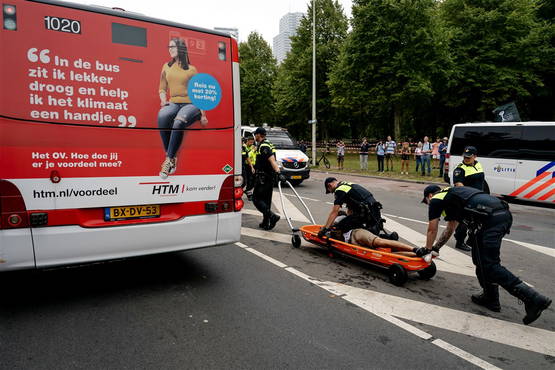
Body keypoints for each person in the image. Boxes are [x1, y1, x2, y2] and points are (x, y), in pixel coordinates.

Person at [421, 184, 552, 325]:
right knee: (479, 259)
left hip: (490, 220)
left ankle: (533, 298)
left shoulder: (436, 200)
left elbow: (432, 229)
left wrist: (427, 251)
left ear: (429, 196)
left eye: (426, 202)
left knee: (490, 265)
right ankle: (491, 298)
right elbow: (450, 229)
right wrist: (436, 248)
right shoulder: (452, 195)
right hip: (499, 215)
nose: (428, 205)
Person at [158, 38, 208, 179]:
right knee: (162, 116)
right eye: (169, 47)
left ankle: (168, 160)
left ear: (180, 49)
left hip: (191, 104)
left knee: (178, 122)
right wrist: (163, 101)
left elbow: (198, 92)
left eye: (172, 47)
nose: (170, 49)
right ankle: (172, 157)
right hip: (173, 102)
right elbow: (162, 87)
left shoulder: (192, 70)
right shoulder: (166, 67)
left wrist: (203, 115)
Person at [325, 214, 430, 258]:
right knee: (384, 254)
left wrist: (328, 229)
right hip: (355, 244)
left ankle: (415, 249)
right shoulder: (332, 229)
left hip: (356, 234)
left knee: (379, 242)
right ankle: (418, 255)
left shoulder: (339, 222)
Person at [452, 146, 485, 252]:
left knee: (478, 221)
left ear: (475, 156)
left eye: (469, 157)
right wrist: (469, 196)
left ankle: (471, 241)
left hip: (479, 197)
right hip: (466, 199)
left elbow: (481, 181)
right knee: (464, 222)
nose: (466, 159)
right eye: (465, 156)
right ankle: (459, 241)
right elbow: (458, 184)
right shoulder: (460, 169)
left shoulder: (478, 164)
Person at [252, 127, 285, 230]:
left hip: (263, 178)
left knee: (256, 199)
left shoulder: (264, 146)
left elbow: (272, 160)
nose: (254, 136)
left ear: (259, 135)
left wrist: (278, 172)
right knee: (266, 201)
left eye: (255, 134)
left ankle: (272, 216)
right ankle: (266, 222)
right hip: (268, 177)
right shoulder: (267, 143)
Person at [241, 135, 255, 201]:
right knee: (242, 181)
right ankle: (238, 193)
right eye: (250, 142)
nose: (252, 144)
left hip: (245, 166)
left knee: (248, 181)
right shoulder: (241, 147)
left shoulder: (244, 148)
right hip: (239, 167)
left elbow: (247, 157)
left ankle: (248, 193)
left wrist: (252, 167)